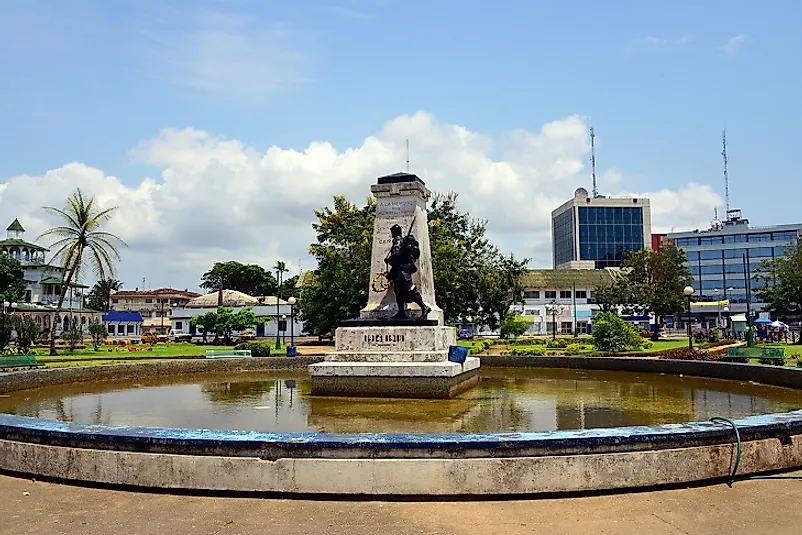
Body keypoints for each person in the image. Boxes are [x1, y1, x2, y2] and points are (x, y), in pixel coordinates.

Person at [385, 223, 431, 320]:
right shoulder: (400, 241)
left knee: (409, 290)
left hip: (403, 271)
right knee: (398, 291)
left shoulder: (397, 240)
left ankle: (424, 307)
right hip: (401, 270)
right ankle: (401, 312)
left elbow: (396, 255)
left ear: (394, 232)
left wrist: (389, 260)